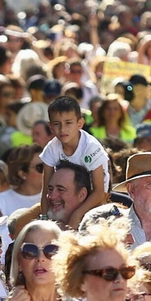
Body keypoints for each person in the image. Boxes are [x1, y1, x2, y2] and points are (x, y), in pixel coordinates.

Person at [39, 95, 111, 225]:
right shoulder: (51, 148)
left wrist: (77, 215)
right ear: (50, 127)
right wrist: (44, 219)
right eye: (57, 124)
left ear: (80, 124)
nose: (62, 129)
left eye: (68, 123)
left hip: (96, 202)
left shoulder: (90, 147)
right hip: (65, 199)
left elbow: (99, 192)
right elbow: (46, 190)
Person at [0, 144, 43, 218]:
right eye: (40, 167)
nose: (46, 171)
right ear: (22, 173)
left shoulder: (54, 197)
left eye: (48, 166)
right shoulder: (1, 202)